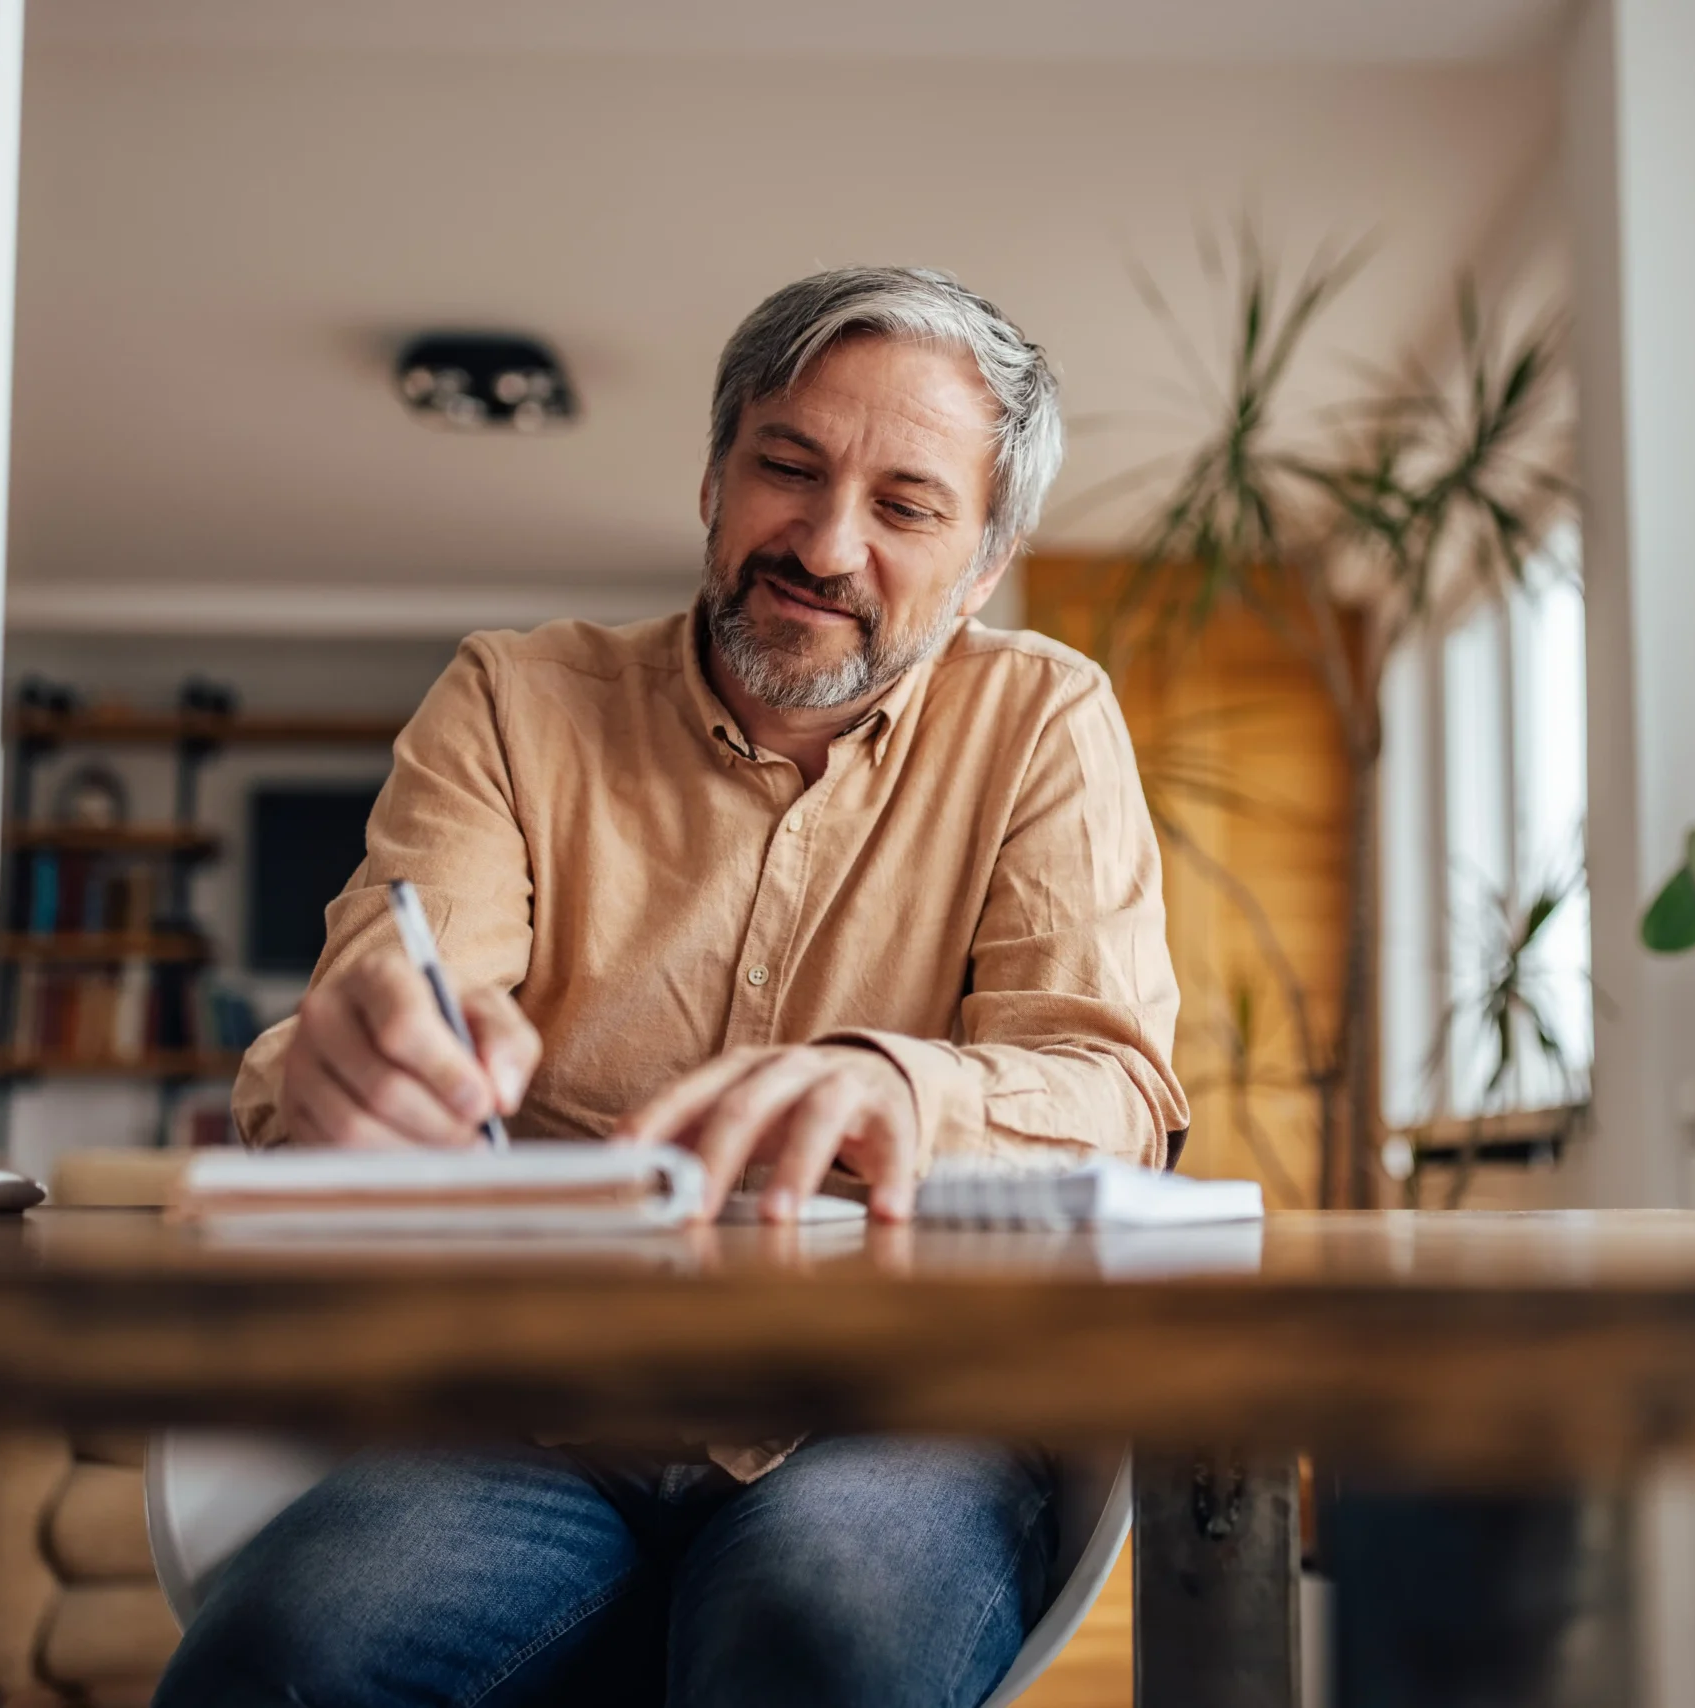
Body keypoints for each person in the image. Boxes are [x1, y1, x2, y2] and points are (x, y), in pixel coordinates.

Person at [154, 267, 1188, 1708]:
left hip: (893, 1413)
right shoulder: (513, 700)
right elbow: (391, 993)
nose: (826, 541)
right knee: (275, 1665)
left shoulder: (1043, 721)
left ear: (983, 561)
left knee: (818, 1652)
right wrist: (349, 1068)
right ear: (713, 477)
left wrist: (900, 1087)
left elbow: (1113, 1090)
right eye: (788, 467)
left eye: (904, 505)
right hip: (529, 1417)